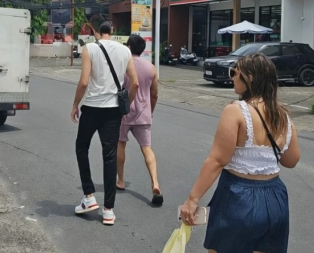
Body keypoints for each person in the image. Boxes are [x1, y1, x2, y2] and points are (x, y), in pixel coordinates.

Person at [180, 53, 300, 252]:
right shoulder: (283, 116)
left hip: (238, 197)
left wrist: (192, 200)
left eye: (235, 73)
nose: (232, 77)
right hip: (275, 199)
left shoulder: (236, 110)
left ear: (249, 78)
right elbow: (291, 160)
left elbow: (217, 160)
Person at [71, 21, 139, 225]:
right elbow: (135, 83)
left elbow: (84, 81)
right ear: (113, 30)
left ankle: (89, 196)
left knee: (81, 147)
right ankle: (109, 210)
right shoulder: (125, 51)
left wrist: (75, 104)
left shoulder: (89, 48)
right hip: (112, 111)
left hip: (92, 108)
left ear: (96, 31)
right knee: (109, 156)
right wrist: (125, 108)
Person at [116, 35, 162, 205]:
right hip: (144, 114)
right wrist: (151, 111)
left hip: (124, 113)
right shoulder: (151, 68)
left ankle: (120, 180)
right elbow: (154, 94)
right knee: (147, 148)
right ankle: (155, 183)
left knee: (120, 144)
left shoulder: (123, 65)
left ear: (128, 47)